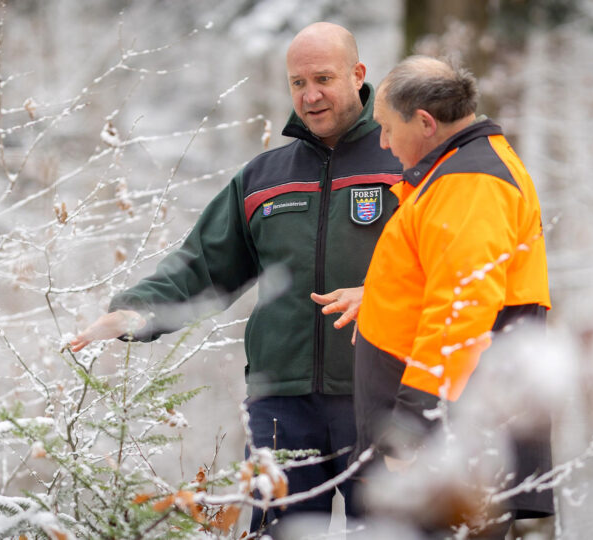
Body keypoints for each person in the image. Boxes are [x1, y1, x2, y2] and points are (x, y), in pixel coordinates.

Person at [69, 22, 402, 534]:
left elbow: (446, 272)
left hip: (382, 397)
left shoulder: (407, 164)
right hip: (282, 408)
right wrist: (136, 309)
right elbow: (203, 265)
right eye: (297, 82)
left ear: (358, 75)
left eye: (324, 78)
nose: (309, 96)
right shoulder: (263, 178)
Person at [344, 56, 552, 536]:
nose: (382, 141)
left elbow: (462, 313)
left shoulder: (470, 183)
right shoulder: (456, 174)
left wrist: (411, 430)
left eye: (387, 127)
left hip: (447, 447)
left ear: (424, 121)